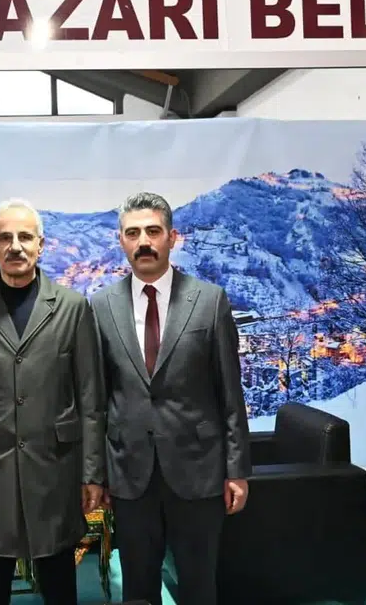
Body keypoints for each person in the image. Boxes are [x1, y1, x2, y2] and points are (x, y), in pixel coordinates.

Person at [0, 198, 106, 605]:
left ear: (41, 245)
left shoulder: (73, 308)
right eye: (5, 238)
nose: (16, 246)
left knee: (60, 586)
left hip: (56, 471)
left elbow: (91, 399)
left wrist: (92, 473)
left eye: (25, 237)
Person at [88, 192, 250, 605]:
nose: (143, 241)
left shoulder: (209, 301)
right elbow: (95, 400)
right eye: (133, 233)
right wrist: (95, 474)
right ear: (121, 241)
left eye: (153, 231)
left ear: (172, 238)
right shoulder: (101, 307)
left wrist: (237, 470)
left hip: (199, 471)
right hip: (130, 474)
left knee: (198, 585)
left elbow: (230, 393)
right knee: (139, 589)